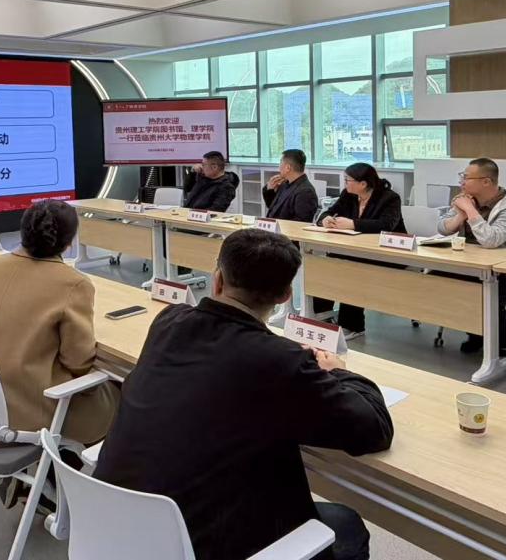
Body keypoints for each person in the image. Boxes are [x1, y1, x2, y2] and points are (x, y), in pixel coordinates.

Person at [95, 228, 393, 560]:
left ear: (217, 280)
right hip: (200, 543)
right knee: (346, 524)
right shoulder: (277, 361)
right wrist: (338, 371)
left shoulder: (169, 321)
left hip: (117, 527)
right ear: (285, 296)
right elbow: (374, 429)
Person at [0, 200, 119, 455]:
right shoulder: (74, 283)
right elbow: (78, 362)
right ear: (69, 242)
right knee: (122, 391)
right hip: (36, 406)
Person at [437, 158, 506, 357]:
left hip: (504, 271)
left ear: (486, 181)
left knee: (485, 298)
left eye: (466, 177)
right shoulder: (465, 198)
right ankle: (476, 333)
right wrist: (460, 215)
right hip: (469, 264)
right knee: (439, 283)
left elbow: (491, 240)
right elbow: (442, 228)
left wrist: (469, 210)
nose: (461, 181)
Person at [314, 162, 405, 338]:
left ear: (362, 184)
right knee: (326, 265)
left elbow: (386, 224)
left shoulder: (389, 198)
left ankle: (352, 325)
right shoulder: (348, 195)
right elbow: (329, 212)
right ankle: (322, 315)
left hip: (386, 252)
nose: (345, 183)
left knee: (351, 269)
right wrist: (324, 220)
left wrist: (353, 224)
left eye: (347, 180)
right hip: (353, 248)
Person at [261, 148, 319, 223]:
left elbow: (301, 222)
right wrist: (270, 190)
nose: (279, 167)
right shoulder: (285, 183)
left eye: (280, 163)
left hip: (285, 229)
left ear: (288, 168)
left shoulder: (305, 191)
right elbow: (274, 208)